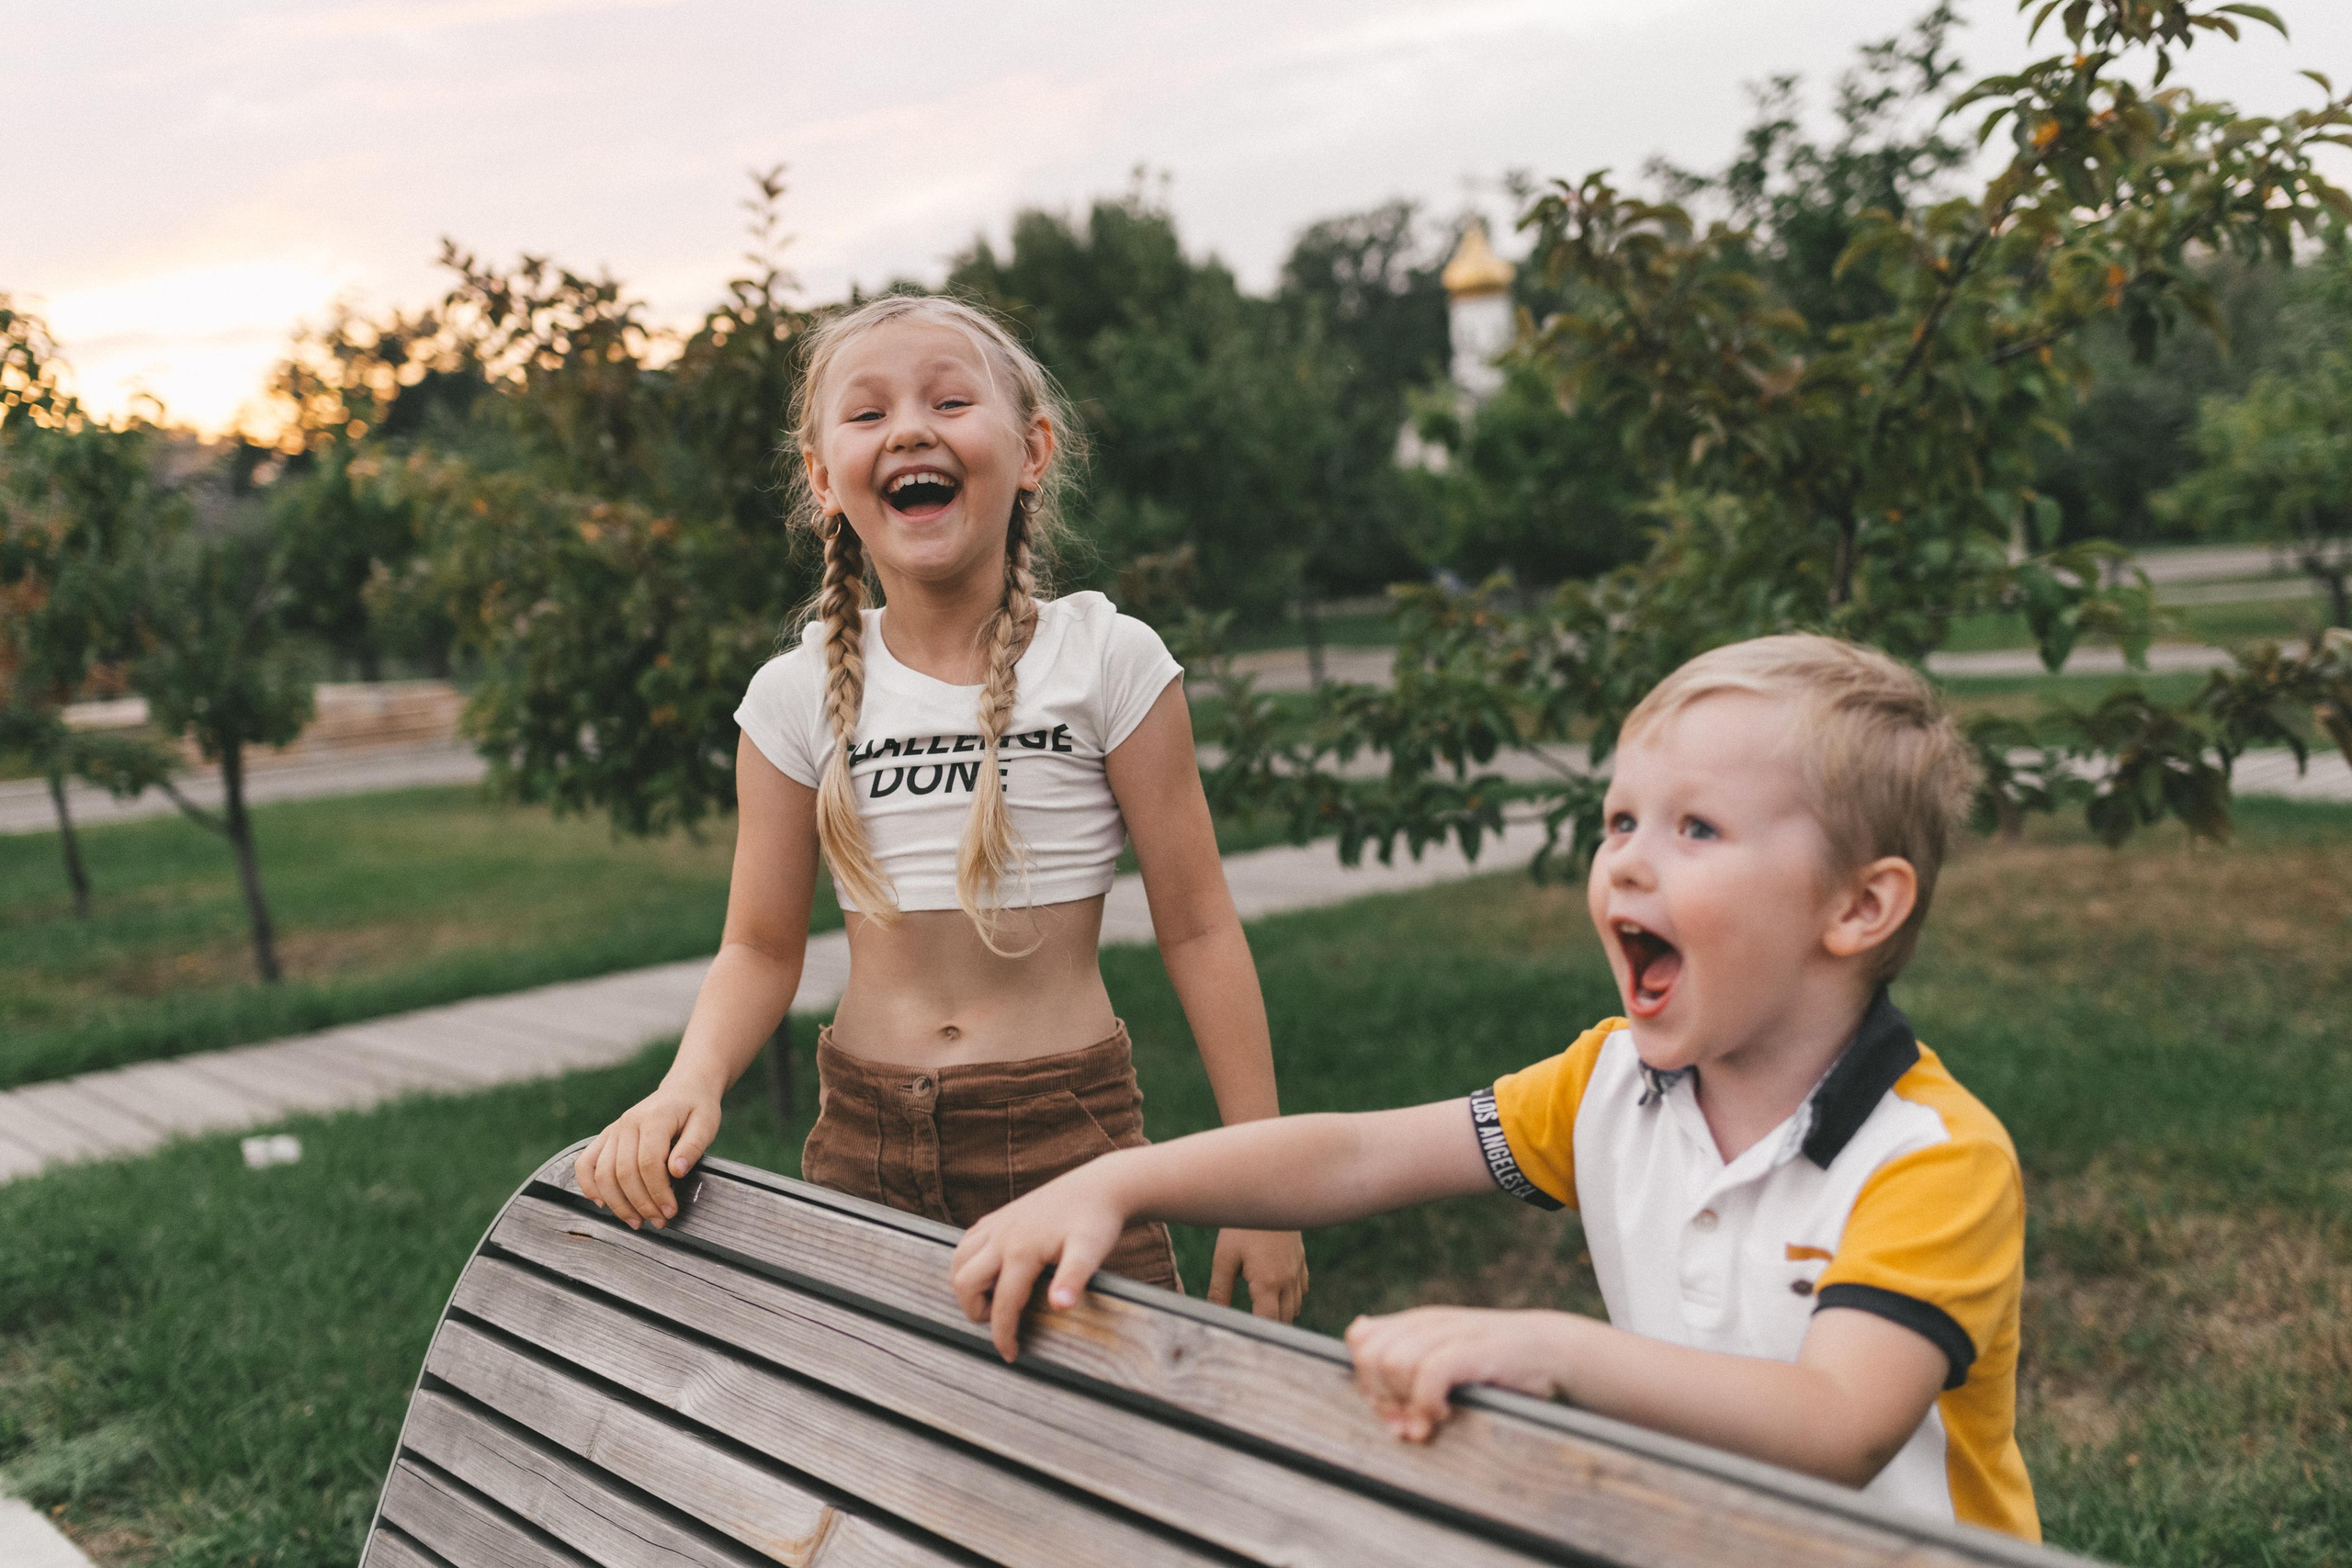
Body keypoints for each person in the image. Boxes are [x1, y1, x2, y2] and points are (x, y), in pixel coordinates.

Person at [951, 634, 2040, 1540]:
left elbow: (1839, 1423)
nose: (1625, 860)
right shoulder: (1608, 1084)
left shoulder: (1929, 1159)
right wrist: (1117, 1183)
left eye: (1696, 828)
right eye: (1620, 821)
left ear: (1858, 908)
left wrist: (1554, 1349)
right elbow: (1360, 1155)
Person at [576, 293, 1308, 1320]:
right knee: (864, 1421)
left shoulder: (1109, 659)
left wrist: (1262, 1180)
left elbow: (1198, 928)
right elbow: (758, 948)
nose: (911, 429)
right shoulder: (790, 694)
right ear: (823, 478)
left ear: (1033, 449)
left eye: (951, 401)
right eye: (868, 412)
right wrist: (688, 1082)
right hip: (861, 1140)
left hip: (1064, 1135)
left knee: (1098, 1421)